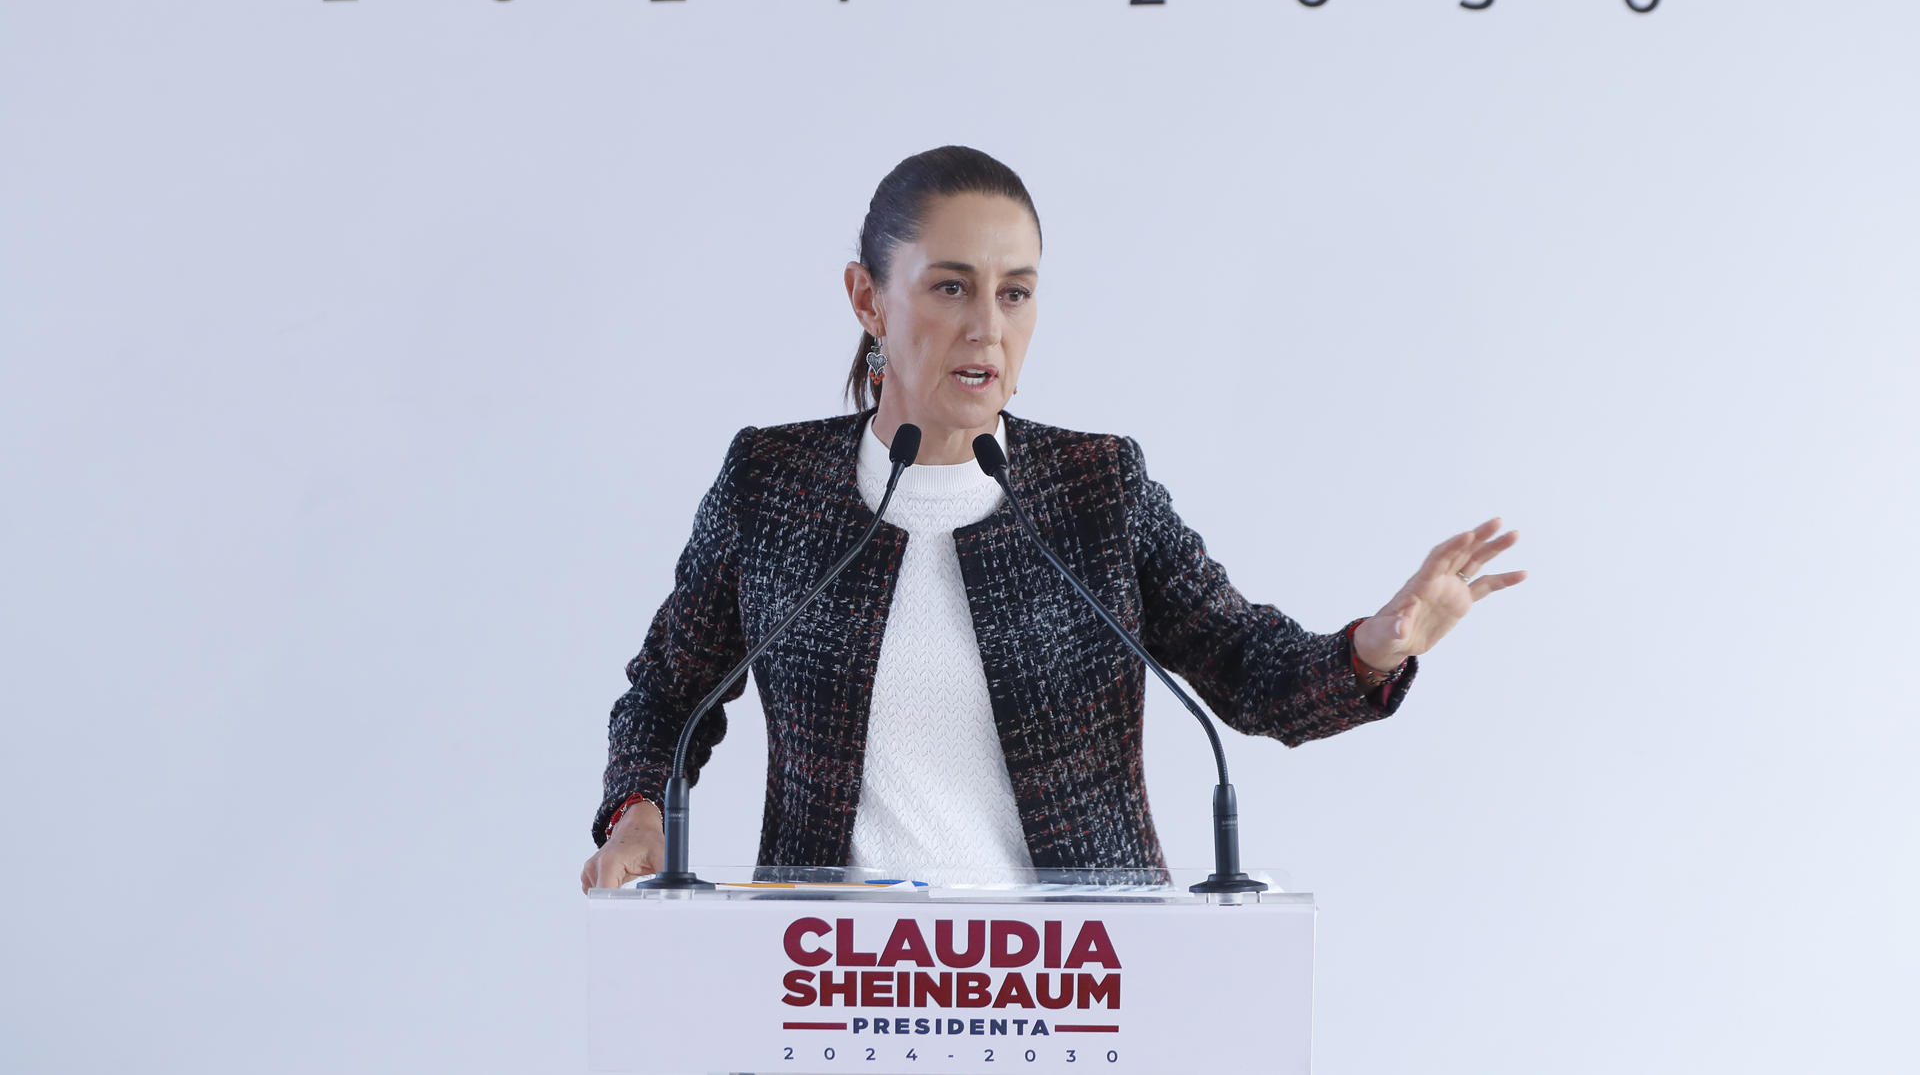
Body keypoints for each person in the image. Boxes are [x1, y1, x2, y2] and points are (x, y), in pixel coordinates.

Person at [579, 146, 1524, 891]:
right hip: (838, 987)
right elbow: (667, 695)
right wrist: (638, 811)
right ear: (868, 299)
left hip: (1077, 991)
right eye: (950, 287)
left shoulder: (1097, 487)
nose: (987, 325)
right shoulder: (773, 482)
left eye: (1015, 292)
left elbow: (1246, 669)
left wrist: (1371, 648)